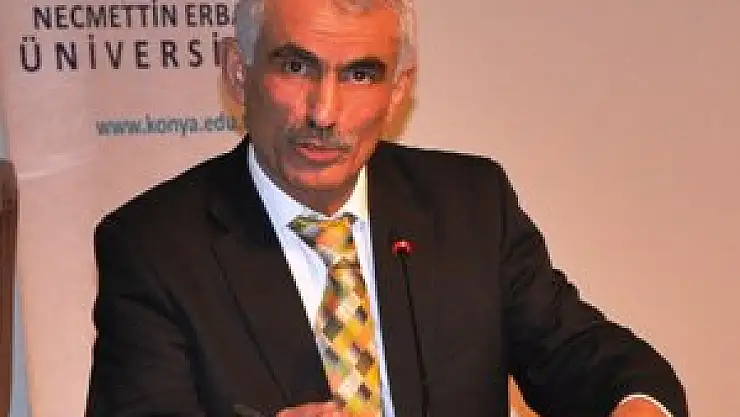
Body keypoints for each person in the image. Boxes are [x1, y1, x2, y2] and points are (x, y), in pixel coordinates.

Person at [85, 0, 688, 416]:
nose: (324, 113)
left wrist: (634, 404)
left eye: (359, 75)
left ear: (399, 91)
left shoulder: (469, 207)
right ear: (238, 74)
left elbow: (580, 354)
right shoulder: (155, 247)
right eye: (296, 67)